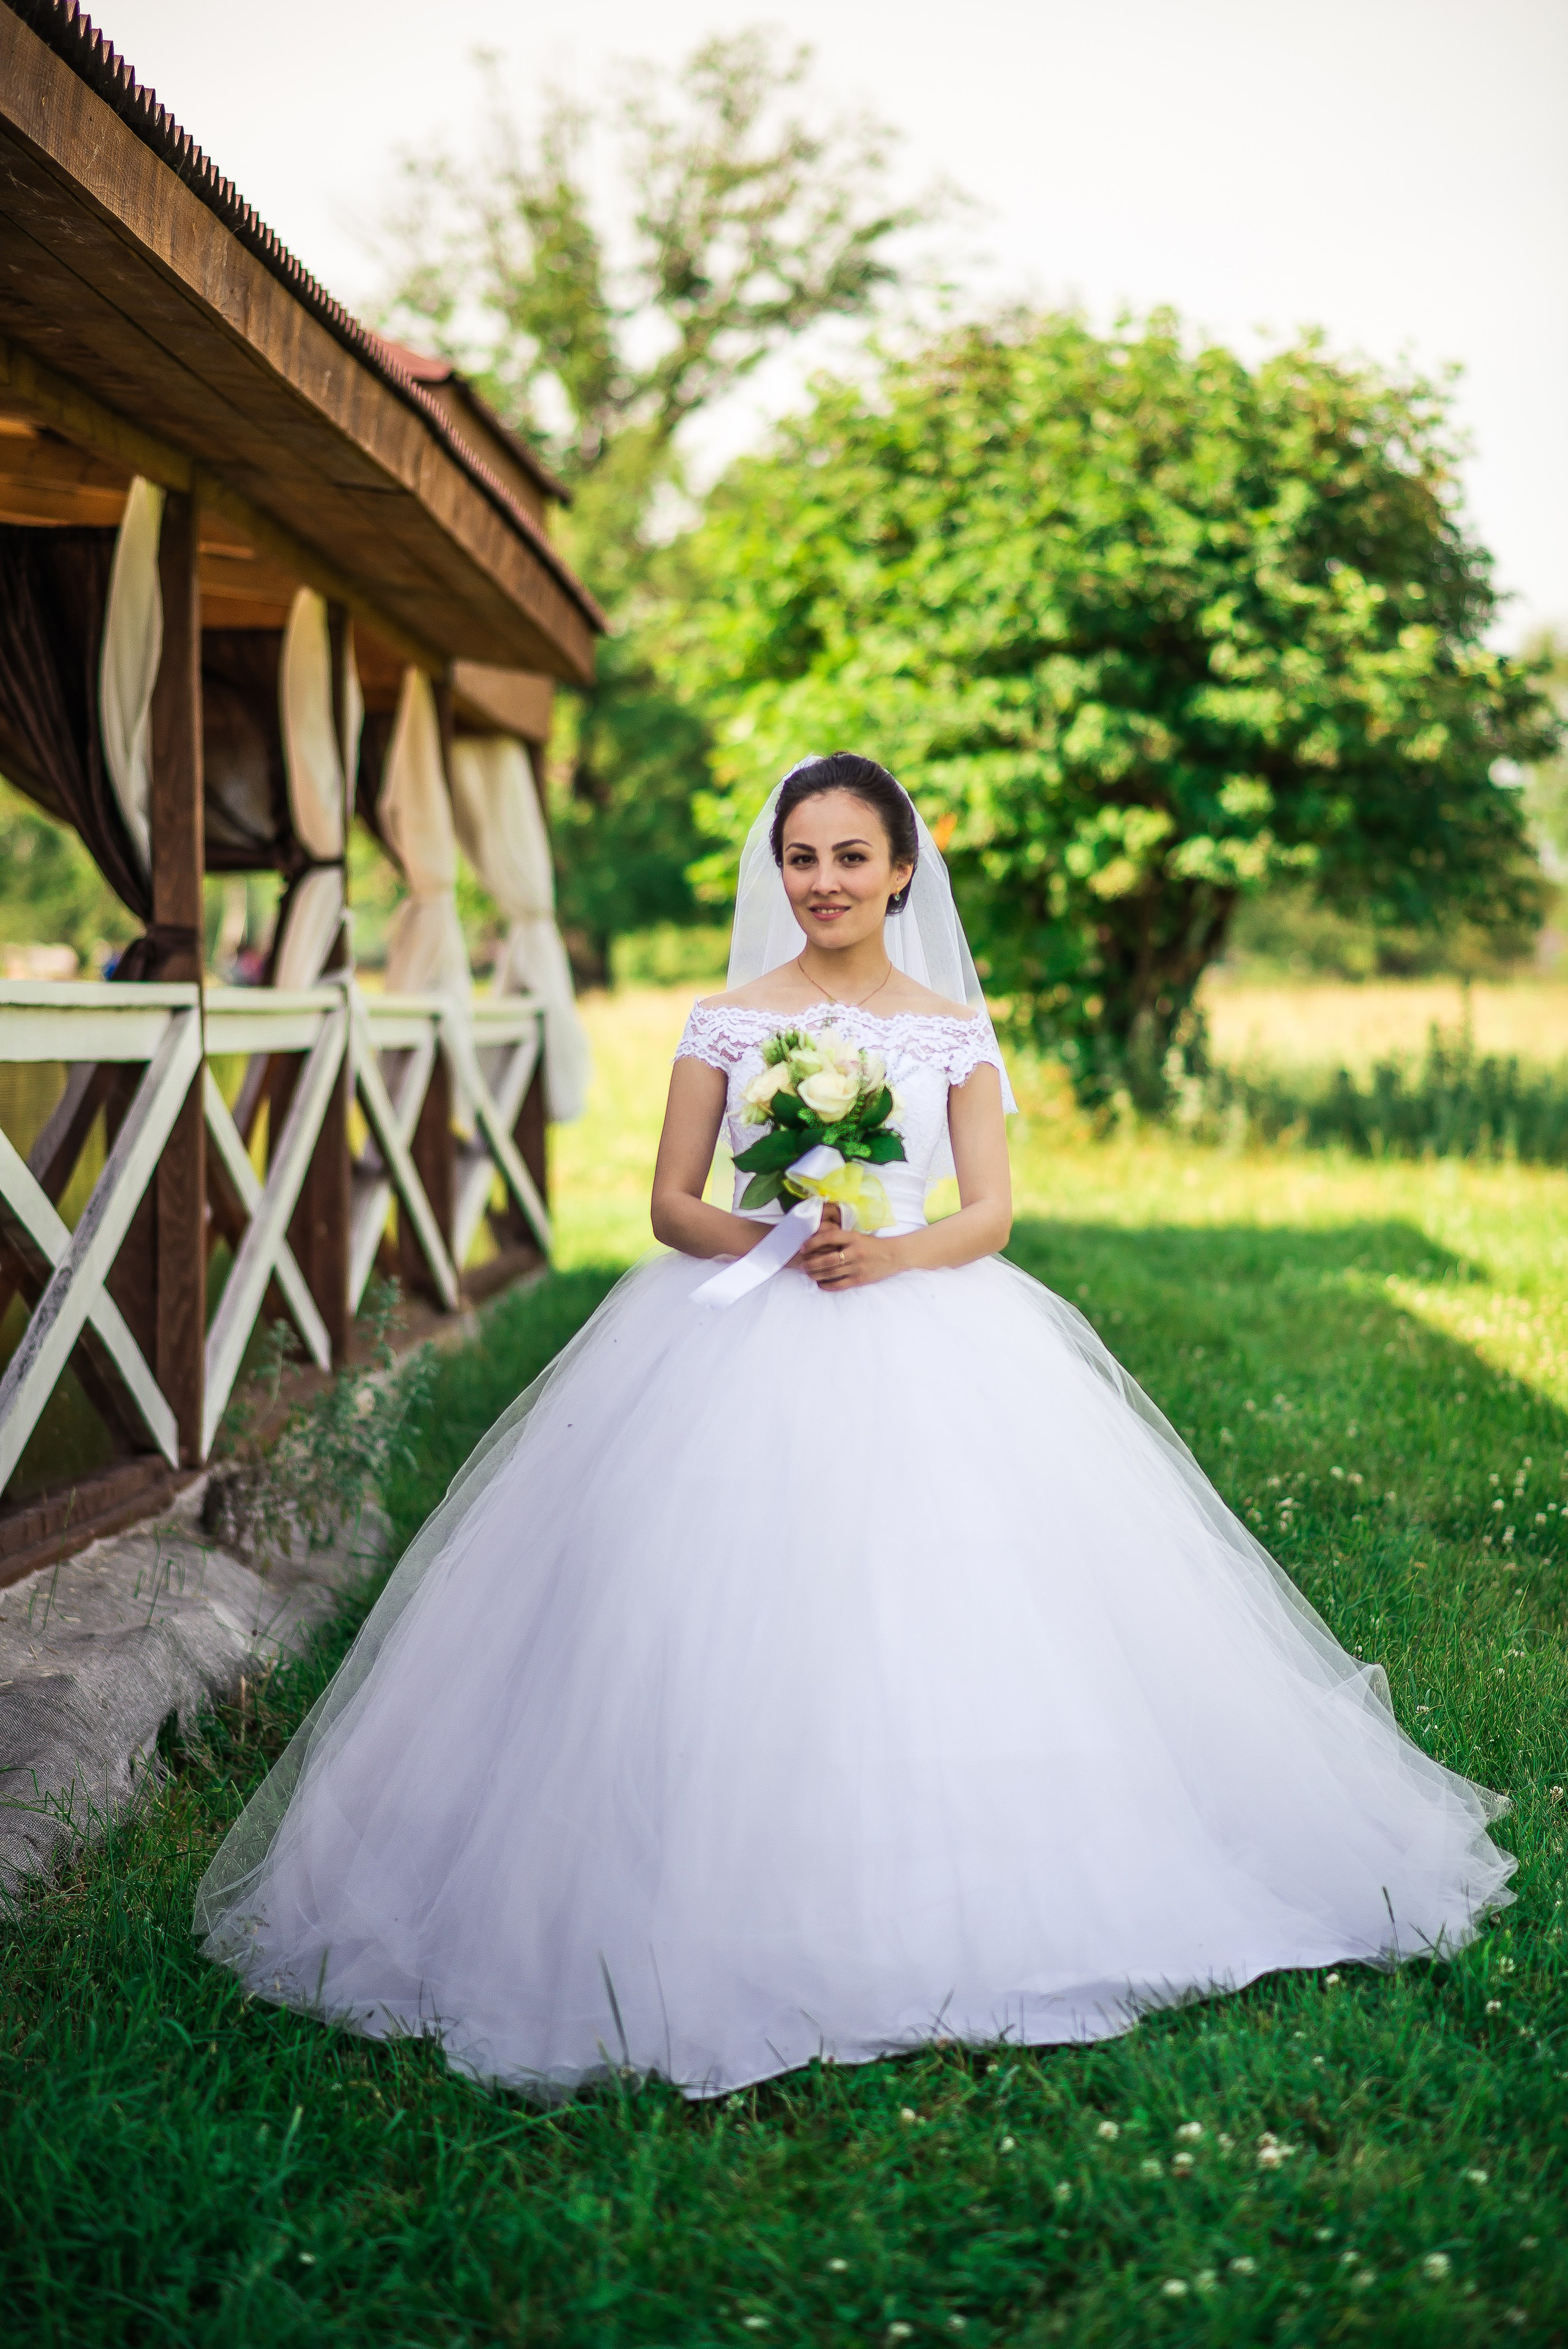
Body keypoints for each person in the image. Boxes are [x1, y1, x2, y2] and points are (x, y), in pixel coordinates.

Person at [195, 752, 1514, 2100]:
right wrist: (774, 1233)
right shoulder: (725, 1017)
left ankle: (966, 1868)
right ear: (779, 873)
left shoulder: (947, 1029)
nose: (821, 881)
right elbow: (669, 1201)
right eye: (800, 856)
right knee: (700, 1588)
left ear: (898, 871)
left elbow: (988, 1211)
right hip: (741, 1316)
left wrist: (890, 1254)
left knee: (943, 1591)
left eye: (848, 857)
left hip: (918, 1306)